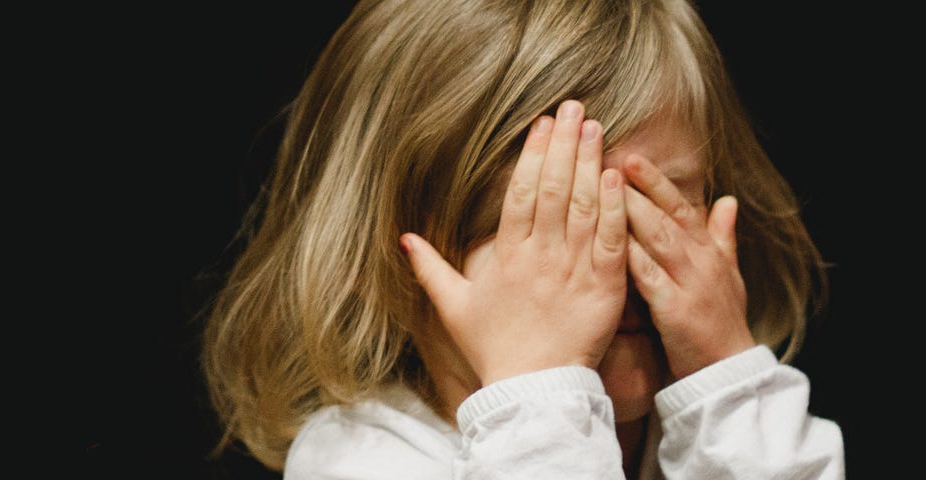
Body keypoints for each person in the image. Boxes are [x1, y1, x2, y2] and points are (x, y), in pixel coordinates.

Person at [202, 0, 844, 478]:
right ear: (398, 252)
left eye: (656, 206)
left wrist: (730, 394)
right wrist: (539, 397)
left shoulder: (698, 430)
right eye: (555, 221)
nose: (613, 257)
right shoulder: (358, 458)